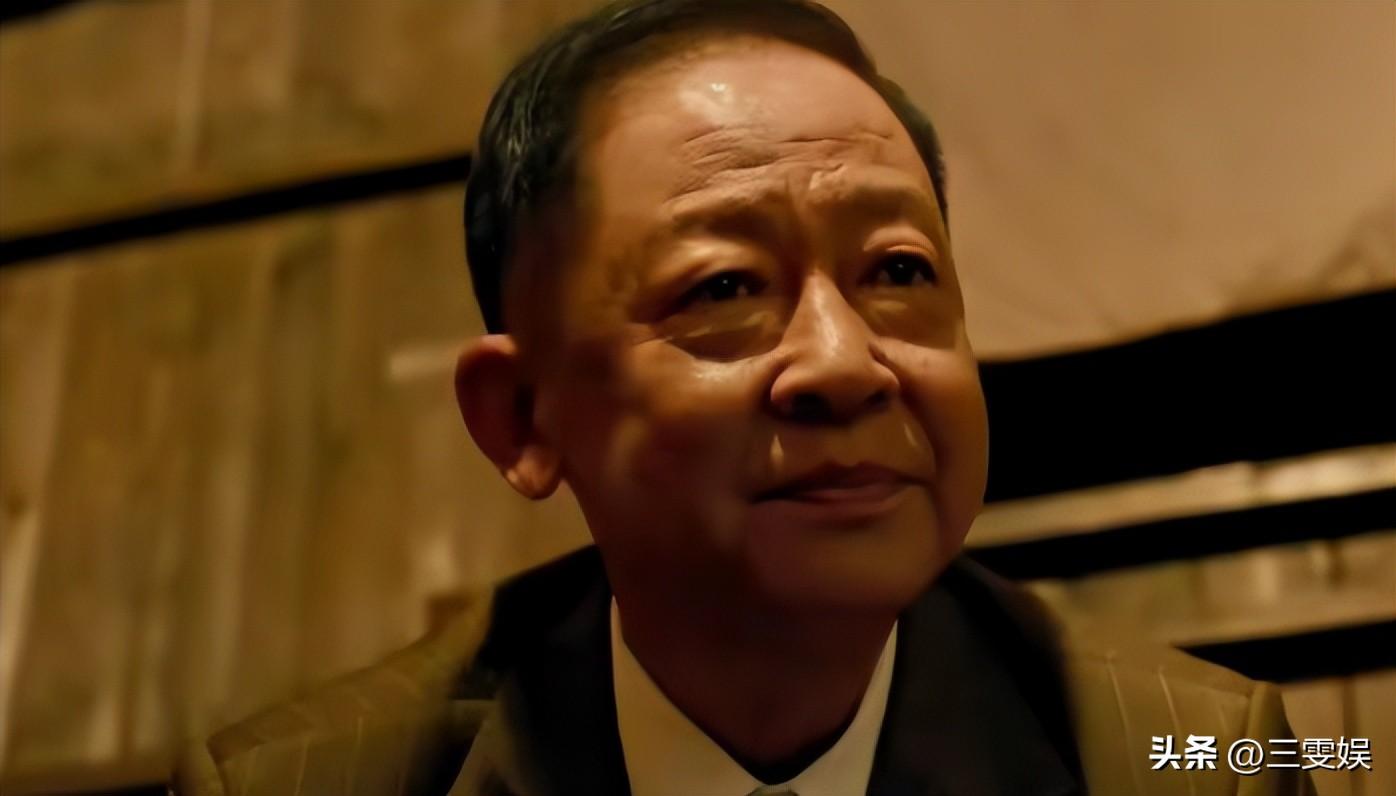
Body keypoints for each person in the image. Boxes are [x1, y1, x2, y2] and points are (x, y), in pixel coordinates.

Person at [175, 1, 1315, 794]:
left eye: (898, 271)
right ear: (524, 416)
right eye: (724, 288)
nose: (843, 362)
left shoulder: (1204, 762)